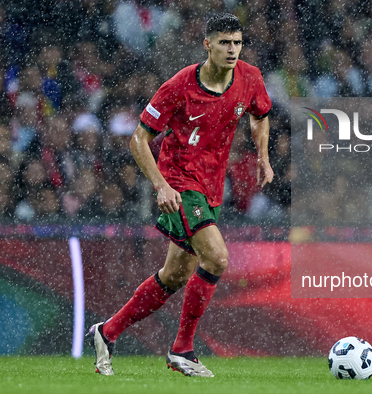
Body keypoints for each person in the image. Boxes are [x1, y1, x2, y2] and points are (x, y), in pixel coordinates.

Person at [87, 13, 273, 378]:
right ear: (208, 45)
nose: (232, 49)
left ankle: (106, 333)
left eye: (237, 42)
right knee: (217, 258)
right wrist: (161, 185)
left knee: (174, 274)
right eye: (224, 42)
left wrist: (263, 158)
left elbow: (261, 114)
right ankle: (182, 350)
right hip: (179, 181)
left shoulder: (251, 78)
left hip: (211, 188)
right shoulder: (179, 86)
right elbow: (139, 139)